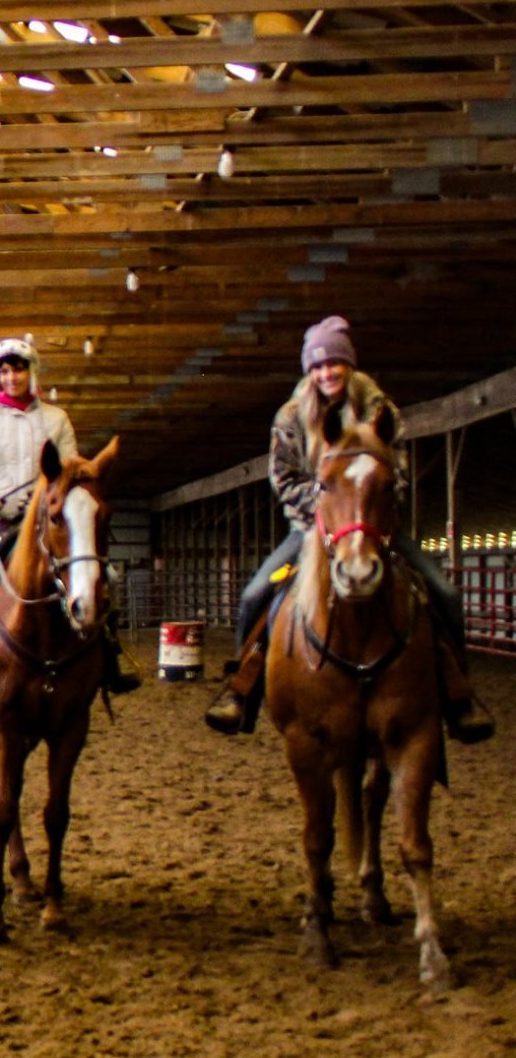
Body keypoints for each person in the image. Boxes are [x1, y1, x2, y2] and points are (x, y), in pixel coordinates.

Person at [203, 316, 493, 742]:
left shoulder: (380, 412)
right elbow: (282, 480)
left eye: (334, 364)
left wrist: (366, 501)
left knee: (443, 593)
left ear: (349, 365)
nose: (326, 374)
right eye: (317, 367)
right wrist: (330, 503)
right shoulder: (290, 419)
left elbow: (398, 469)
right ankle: (241, 690)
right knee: (253, 596)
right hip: (311, 531)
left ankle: (459, 695)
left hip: (375, 527)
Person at [0, 337, 141, 695]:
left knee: (107, 576)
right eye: (4, 371)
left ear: (31, 372)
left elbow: (74, 469)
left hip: (45, 519)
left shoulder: (56, 419)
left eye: (18, 369)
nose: (11, 377)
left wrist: (65, 491)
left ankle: (110, 651)